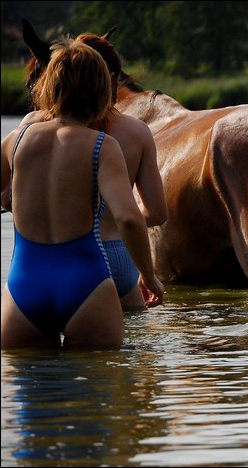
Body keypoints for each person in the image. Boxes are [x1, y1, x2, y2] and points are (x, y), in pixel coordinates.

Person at [0, 38, 164, 348]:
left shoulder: (18, 138)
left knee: (32, 389)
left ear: (48, 86)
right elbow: (129, 218)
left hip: (23, 287)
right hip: (85, 285)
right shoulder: (102, 147)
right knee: (96, 387)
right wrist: (150, 276)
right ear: (103, 90)